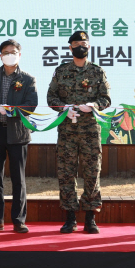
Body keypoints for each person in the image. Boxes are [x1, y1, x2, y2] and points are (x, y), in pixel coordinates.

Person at [47, 31, 111, 234]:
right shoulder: (61, 71)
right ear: (70, 47)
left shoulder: (97, 71)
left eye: (83, 43)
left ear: (89, 47)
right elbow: (51, 97)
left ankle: (90, 217)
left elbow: (106, 99)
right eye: (76, 43)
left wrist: (94, 105)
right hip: (67, 130)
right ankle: (70, 217)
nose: (80, 46)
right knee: (66, 173)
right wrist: (63, 108)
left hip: (90, 130)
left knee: (92, 172)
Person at [0, 39, 38, 233]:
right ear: (0, 55)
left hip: (17, 134)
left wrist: (11, 110)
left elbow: (31, 105)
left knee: (18, 179)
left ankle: (19, 220)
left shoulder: (28, 79)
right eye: (6, 52)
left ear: (19, 55)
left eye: (13, 52)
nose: (9, 55)